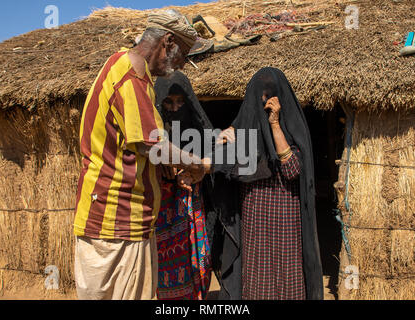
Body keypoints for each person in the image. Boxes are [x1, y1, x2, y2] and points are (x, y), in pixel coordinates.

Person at [73, 11, 211, 300]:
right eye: (183, 54)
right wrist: (197, 164)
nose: (183, 63)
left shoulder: (122, 66)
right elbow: (153, 147)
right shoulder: (132, 73)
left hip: (115, 223)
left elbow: (135, 146)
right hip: (119, 222)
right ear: (168, 42)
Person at [212, 67, 324, 300]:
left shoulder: (292, 128)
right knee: (257, 278)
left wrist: (274, 125)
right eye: (261, 96)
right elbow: (221, 165)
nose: (266, 101)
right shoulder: (242, 128)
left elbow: (292, 170)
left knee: (288, 274)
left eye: (271, 94)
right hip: (255, 220)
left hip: (286, 219)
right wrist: (219, 142)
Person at [153, 71, 214, 300]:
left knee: (198, 261)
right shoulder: (152, 137)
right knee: (168, 267)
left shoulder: (198, 133)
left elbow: (210, 154)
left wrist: (193, 168)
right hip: (162, 211)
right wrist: (164, 167)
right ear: (160, 102)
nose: (176, 109)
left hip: (193, 206)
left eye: (181, 102)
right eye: (169, 102)